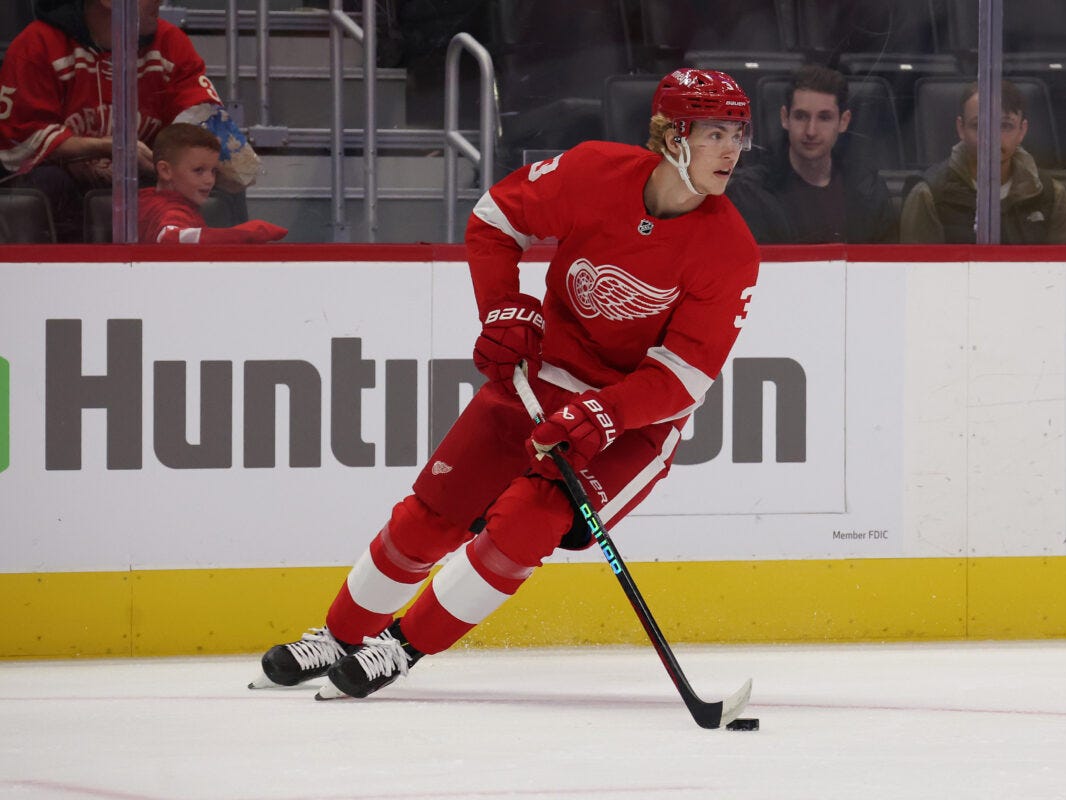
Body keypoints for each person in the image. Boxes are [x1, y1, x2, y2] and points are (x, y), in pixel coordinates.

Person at [249, 68, 761, 700]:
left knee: (527, 520)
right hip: (538, 380)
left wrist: (604, 413)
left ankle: (401, 647)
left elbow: (686, 374)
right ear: (672, 135)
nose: (732, 150)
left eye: (738, 134)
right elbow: (496, 219)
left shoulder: (730, 249)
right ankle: (337, 636)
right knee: (432, 513)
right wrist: (501, 308)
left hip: (631, 420)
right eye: (715, 134)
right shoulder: (593, 172)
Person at [0, 0, 260, 241]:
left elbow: (226, 151)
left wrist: (227, 161)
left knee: (216, 180)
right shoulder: (37, 44)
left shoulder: (170, 43)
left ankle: (224, 265)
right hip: (64, 190)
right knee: (47, 181)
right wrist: (106, 148)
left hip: (144, 179)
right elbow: (18, 145)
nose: (160, 0)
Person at [726, 65, 897, 244]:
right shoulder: (750, 194)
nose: (811, 131)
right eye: (801, 116)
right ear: (785, 118)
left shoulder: (870, 192)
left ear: (843, 121)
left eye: (824, 118)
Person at [900, 80, 1066, 244]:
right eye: (979, 126)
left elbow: (1059, 264)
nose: (992, 138)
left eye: (1005, 126)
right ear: (961, 128)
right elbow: (917, 264)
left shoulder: (1052, 195)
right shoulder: (928, 195)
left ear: (1022, 131)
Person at [139, 123, 286, 244]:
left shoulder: (145, 201)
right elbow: (170, 237)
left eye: (213, 171)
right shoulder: (173, 211)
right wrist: (243, 234)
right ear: (165, 171)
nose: (209, 180)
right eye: (199, 170)